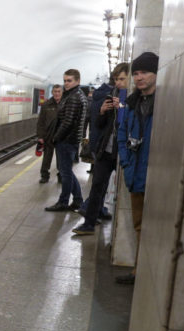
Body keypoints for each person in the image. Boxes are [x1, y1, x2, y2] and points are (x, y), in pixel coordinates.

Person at [114, 52, 158, 285]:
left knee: (160, 226)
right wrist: (126, 163)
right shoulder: (131, 104)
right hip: (136, 175)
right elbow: (122, 135)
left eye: (145, 73)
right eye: (137, 73)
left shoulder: (167, 102)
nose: (139, 78)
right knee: (139, 224)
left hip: (159, 177)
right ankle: (139, 272)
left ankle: (154, 273)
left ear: (156, 74)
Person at [73, 62, 129, 235]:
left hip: (124, 151)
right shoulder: (111, 94)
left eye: (122, 79)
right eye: (116, 79)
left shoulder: (132, 98)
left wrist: (123, 107)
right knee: (97, 185)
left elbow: (127, 123)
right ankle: (89, 223)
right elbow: (99, 124)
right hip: (107, 149)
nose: (118, 83)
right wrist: (103, 112)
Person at [45, 69, 89, 212]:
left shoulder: (73, 97)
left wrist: (55, 137)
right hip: (71, 140)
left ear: (77, 81)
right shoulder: (77, 94)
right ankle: (77, 200)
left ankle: (63, 202)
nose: (66, 83)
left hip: (67, 140)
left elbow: (68, 122)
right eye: (64, 80)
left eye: (69, 80)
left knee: (65, 172)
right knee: (67, 171)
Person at [35, 84, 62, 183]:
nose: (57, 93)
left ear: (62, 92)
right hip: (48, 135)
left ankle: (61, 175)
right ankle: (44, 175)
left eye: (59, 91)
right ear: (52, 92)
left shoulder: (65, 104)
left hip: (60, 136)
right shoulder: (46, 105)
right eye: (55, 91)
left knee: (61, 158)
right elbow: (41, 121)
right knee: (47, 157)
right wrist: (40, 136)